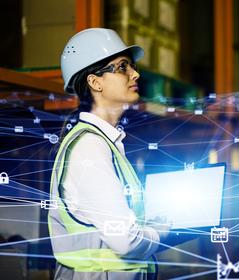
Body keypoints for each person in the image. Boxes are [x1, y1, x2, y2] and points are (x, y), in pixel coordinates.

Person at [48, 28, 169, 280]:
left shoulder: (104, 142)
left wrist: (147, 224)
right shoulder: (89, 147)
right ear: (95, 82)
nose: (135, 74)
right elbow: (124, 241)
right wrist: (163, 232)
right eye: (123, 66)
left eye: (132, 66)